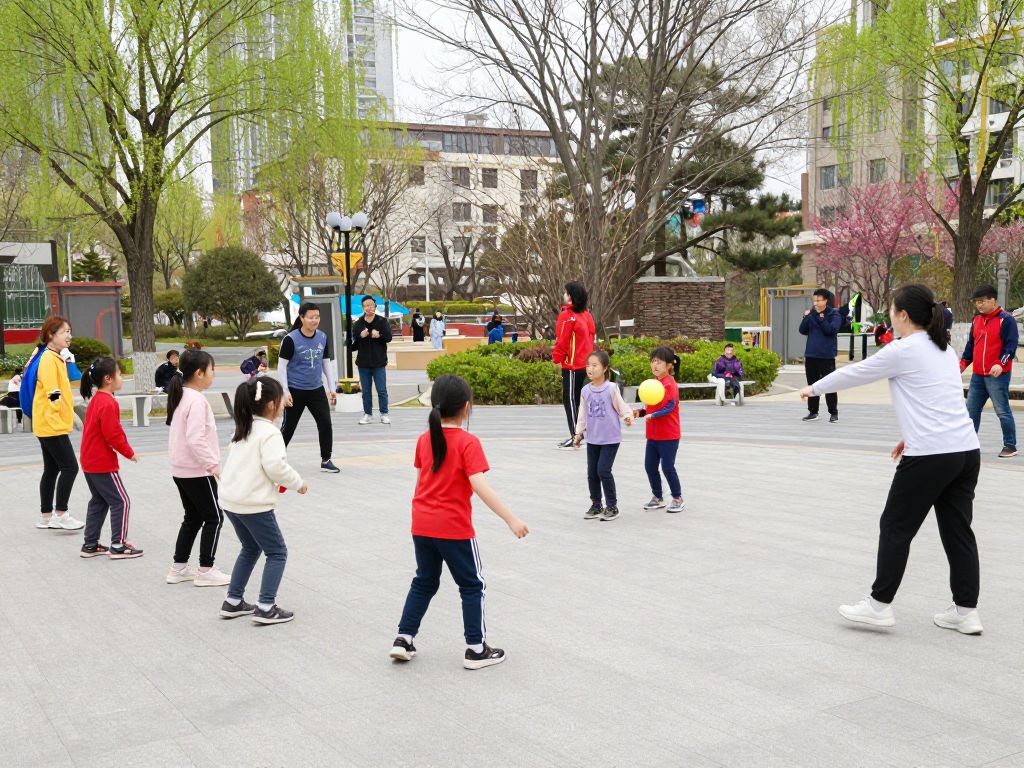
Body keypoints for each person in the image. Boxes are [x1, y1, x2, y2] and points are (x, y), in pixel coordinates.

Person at [800, 284, 984, 634]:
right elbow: (941, 402)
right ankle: (966, 612)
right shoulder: (944, 349)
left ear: (902, 315)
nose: (889, 315)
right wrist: (910, 435)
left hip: (931, 454)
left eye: (890, 310)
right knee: (958, 531)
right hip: (964, 451)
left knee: (895, 527)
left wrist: (814, 388)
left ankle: (879, 605)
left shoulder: (903, 349)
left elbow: (856, 372)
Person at [389, 374, 529, 669]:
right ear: (466, 408)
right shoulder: (467, 442)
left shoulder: (424, 439)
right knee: (472, 584)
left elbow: (420, 483)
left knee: (424, 581)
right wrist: (510, 518)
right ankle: (476, 649)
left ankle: (404, 638)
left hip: (422, 524)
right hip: (453, 528)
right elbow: (480, 486)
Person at [218, 377, 306, 625]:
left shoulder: (244, 428)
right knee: (277, 552)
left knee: (250, 548)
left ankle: (233, 601)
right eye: (280, 399)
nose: (283, 404)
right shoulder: (270, 432)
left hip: (231, 500)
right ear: (270, 404)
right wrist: (298, 483)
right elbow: (275, 466)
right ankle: (266, 606)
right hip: (253, 504)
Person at [166, 349, 231, 587]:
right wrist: (214, 466)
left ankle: (179, 567)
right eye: (212, 369)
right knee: (214, 517)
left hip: (181, 469)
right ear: (199, 373)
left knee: (192, 517)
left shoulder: (181, 395)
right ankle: (206, 569)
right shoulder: (196, 400)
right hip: (198, 470)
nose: (214, 374)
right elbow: (196, 438)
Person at [79, 357, 142, 559]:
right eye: (119, 374)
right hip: (102, 463)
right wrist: (129, 453)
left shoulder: (97, 399)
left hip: (89, 461)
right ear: (108, 378)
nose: (121, 378)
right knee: (121, 501)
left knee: (99, 501)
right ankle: (118, 545)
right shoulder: (108, 403)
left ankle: (90, 544)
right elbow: (113, 434)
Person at [31, 316, 83, 530]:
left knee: (51, 468)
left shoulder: (54, 356)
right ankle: (61, 514)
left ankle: (46, 516)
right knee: (70, 466)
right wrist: (67, 414)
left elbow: (70, 381)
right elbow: (53, 393)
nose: (69, 335)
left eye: (70, 331)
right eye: (64, 332)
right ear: (52, 335)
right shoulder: (49, 359)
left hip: (46, 422)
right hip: (52, 423)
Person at [278, 302, 340, 472]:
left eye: (317, 317)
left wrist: (331, 387)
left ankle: (326, 460)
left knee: (325, 423)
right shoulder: (291, 339)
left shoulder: (322, 337)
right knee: (288, 426)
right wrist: (285, 391)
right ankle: (275, 458)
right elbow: (281, 367)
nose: (315, 320)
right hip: (295, 390)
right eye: (311, 317)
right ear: (302, 318)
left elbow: (326, 363)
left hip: (316, 389)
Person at [573, 351, 633, 521]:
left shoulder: (611, 388)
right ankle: (596, 504)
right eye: (588, 365)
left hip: (610, 439)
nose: (589, 369)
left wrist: (627, 417)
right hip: (592, 438)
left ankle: (612, 506)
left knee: (603, 470)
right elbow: (582, 414)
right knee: (592, 472)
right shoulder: (585, 391)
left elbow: (622, 407)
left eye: (594, 365)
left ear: (605, 368)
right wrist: (578, 434)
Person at [961, 284, 1018, 458]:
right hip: (978, 375)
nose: (979, 305)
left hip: (997, 375)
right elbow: (971, 345)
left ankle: (1010, 446)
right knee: (971, 411)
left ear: (993, 300)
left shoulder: (1006, 320)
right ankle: (968, 446)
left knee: (1002, 411)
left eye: (982, 301)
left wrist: (1000, 364)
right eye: (976, 302)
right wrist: (962, 364)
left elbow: (1010, 346)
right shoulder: (976, 320)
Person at [633, 347, 684, 514]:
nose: (654, 365)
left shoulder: (670, 384)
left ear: (668, 365)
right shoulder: (653, 384)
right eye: (653, 361)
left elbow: (670, 407)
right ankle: (657, 497)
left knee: (668, 467)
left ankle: (677, 498)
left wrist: (653, 415)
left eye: (659, 362)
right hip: (653, 435)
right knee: (650, 466)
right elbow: (648, 407)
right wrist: (638, 413)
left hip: (669, 435)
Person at [552, 281, 595, 448]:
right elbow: (591, 337)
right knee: (578, 400)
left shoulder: (566, 316)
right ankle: (580, 433)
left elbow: (562, 340)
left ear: (570, 296)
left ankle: (575, 435)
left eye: (565, 292)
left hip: (571, 365)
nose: (564, 295)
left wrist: (557, 359)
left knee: (569, 400)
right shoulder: (587, 314)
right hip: (585, 364)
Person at [799, 288, 842, 423]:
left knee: (830, 384)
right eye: (815, 300)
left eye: (818, 300)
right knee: (812, 384)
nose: (816, 302)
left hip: (826, 355)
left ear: (826, 300)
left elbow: (831, 330)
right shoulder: (811, 313)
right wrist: (807, 317)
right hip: (811, 354)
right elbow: (802, 330)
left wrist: (821, 318)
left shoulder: (834, 315)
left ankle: (833, 413)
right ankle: (813, 412)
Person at [352, 295, 393, 425]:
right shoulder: (358, 323)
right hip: (363, 363)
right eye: (366, 305)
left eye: (371, 305)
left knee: (381, 389)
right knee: (366, 391)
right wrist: (360, 336)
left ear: (375, 306)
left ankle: (384, 414)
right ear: (363, 308)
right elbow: (352, 345)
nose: (369, 307)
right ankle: (368, 414)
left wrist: (379, 335)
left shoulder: (382, 321)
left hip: (379, 362)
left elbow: (389, 338)